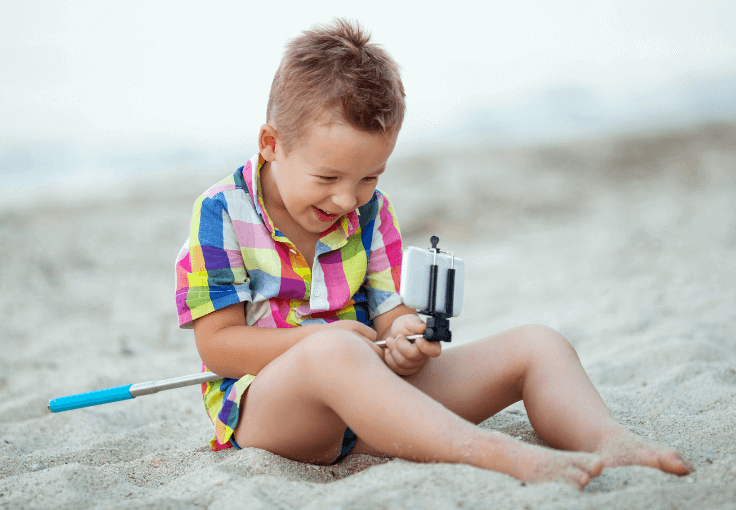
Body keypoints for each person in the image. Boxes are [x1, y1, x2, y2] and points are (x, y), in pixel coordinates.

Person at [174, 18, 692, 490]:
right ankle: (498, 455)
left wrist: (405, 336)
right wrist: (324, 338)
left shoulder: (371, 210)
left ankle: (606, 439)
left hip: (377, 408)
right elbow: (219, 347)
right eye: (327, 177)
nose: (347, 199)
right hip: (275, 414)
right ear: (271, 143)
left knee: (539, 344)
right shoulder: (222, 212)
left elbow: (389, 311)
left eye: (369, 177)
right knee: (334, 352)